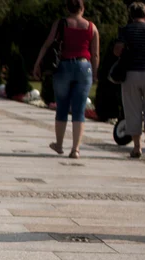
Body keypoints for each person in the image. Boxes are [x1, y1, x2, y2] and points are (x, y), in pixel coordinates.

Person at [34, 0, 99, 159]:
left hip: (63, 67)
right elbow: (95, 54)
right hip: (84, 67)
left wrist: (37, 64)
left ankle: (59, 144)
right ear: (82, 8)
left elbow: (47, 44)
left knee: (62, 107)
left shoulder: (61, 23)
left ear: (67, 9)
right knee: (79, 109)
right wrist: (96, 73)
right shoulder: (92, 27)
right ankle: (75, 149)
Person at [114, 2, 145, 159]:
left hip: (131, 72)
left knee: (132, 109)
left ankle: (137, 148)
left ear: (131, 15)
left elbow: (118, 50)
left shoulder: (125, 30)